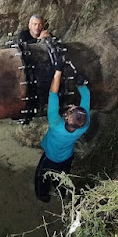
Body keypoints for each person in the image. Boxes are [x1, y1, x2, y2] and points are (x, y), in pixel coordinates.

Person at [35, 62, 90, 202]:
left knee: (41, 176)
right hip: (67, 158)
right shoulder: (83, 126)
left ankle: (43, 195)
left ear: (66, 117)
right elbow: (86, 98)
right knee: (63, 176)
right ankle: (61, 192)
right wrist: (81, 85)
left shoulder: (54, 124)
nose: (73, 106)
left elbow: (53, 94)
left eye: (71, 109)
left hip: (50, 158)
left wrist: (57, 73)